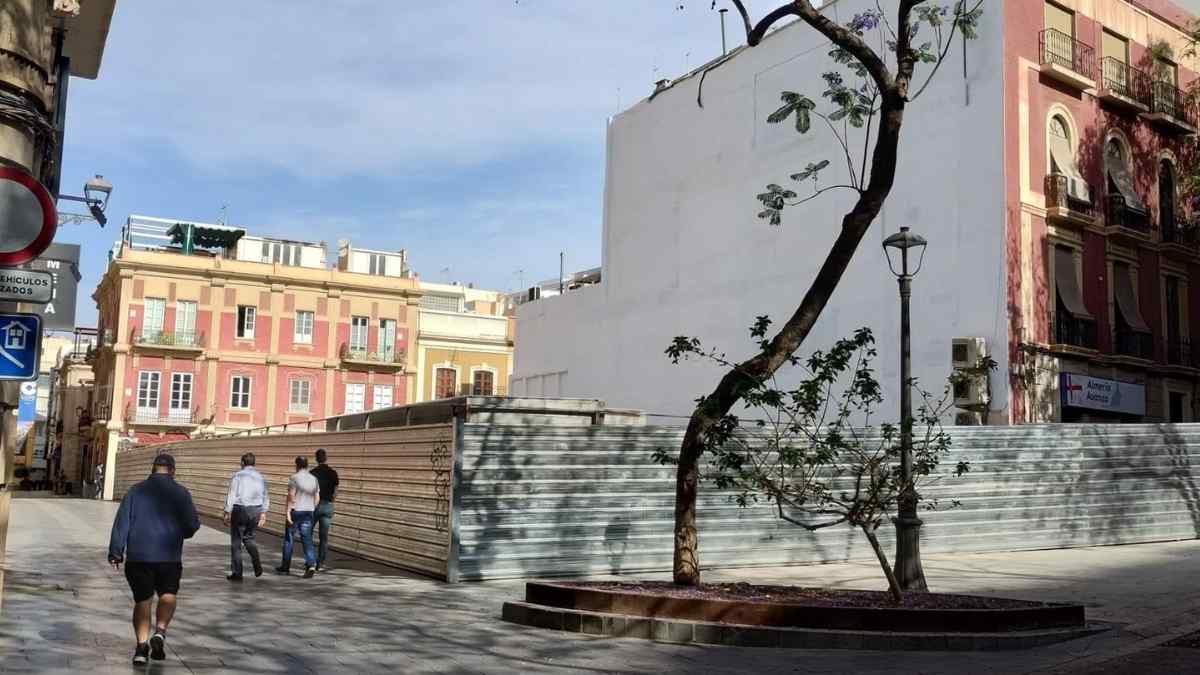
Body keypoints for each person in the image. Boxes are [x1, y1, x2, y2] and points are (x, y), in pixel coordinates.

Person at [107, 453, 201, 665]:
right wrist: (180, 533)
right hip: (169, 556)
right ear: (173, 471)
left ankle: (141, 648)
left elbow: (122, 523)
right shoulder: (181, 493)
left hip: (139, 557)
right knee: (168, 594)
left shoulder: (135, 491)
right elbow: (192, 525)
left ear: (152, 469)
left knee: (143, 600)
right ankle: (160, 631)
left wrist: (115, 552)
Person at [222, 452, 269, 581]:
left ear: (243, 463)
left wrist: (227, 512)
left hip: (240, 510)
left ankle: (237, 573)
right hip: (256, 510)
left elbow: (232, 494)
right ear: (254, 463)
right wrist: (263, 513)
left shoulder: (238, 476)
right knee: (249, 538)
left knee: (236, 543)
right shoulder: (260, 477)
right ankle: (257, 564)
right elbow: (265, 495)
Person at [275, 456, 320, 578]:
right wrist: (311, 508)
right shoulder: (314, 479)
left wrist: (288, 512)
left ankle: (285, 567)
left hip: (296, 511)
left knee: (289, 538)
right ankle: (311, 565)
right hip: (308, 512)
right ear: (307, 465)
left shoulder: (294, 478)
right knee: (307, 540)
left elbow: (291, 496)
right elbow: (317, 498)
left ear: (297, 465)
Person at [309, 448, 339, 571]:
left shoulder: (312, 473)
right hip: (327, 506)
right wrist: (332, 500)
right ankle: (320, 563)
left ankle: (310, 561)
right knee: (324, 537)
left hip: (314, 506)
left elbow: (309, 491)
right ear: (326, 458)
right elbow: (336, 490)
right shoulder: (333, 473)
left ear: (316, 459)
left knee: (308, 534)